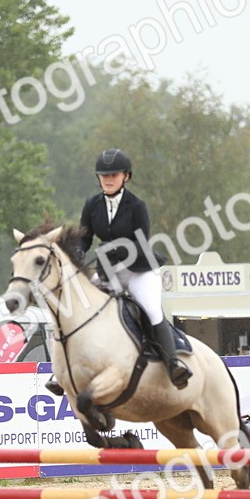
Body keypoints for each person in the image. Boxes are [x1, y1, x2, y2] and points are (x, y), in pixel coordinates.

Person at [75, 148, 190, 388]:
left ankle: (173, 364)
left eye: (114, 175)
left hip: (139, 269)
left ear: (126, 176)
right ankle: (70, 365)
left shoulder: (136, 205)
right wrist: (78, 250)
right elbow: (85, 237)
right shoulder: (92, 205)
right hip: (109, 269)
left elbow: (140, 241)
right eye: (103, 175)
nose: (108, 179)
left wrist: (115, 249)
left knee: (150, 309)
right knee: (81, 304)